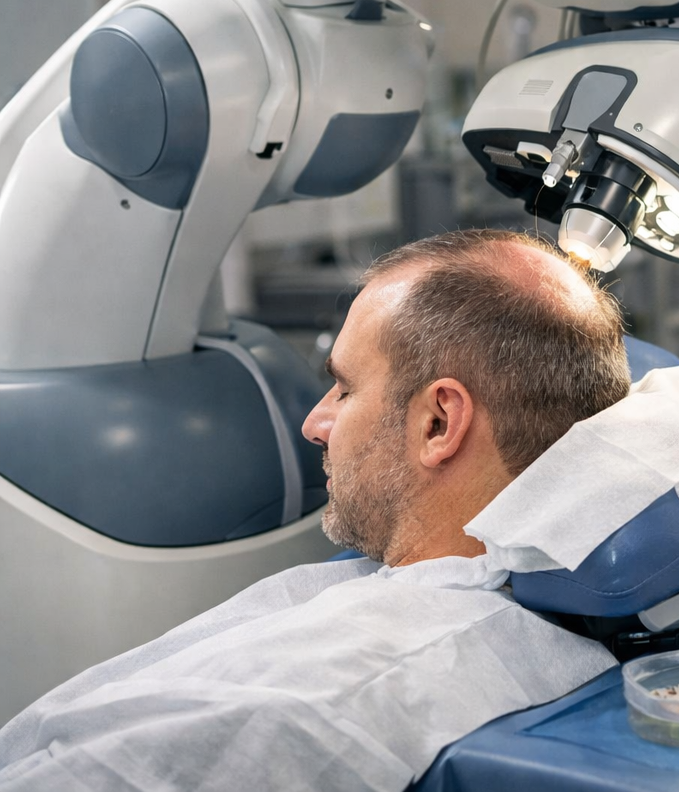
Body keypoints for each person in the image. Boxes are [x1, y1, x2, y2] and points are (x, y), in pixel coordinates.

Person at [0, 229, 633, 791]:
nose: (313, 423)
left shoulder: (300, 703)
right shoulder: (553, 614)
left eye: (345, 387)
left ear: (439, 422)